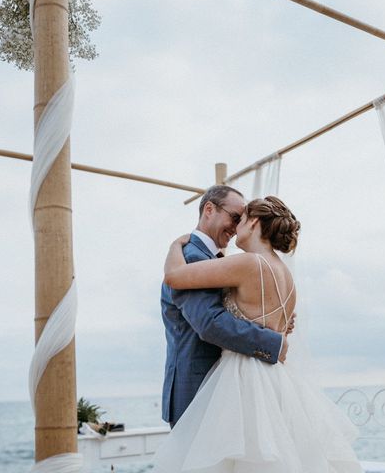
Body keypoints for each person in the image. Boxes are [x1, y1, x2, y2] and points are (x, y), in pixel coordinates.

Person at [152, 195, 363, 473]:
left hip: (241, 379)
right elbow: (273, 321)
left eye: (240, 219)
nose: (236, 225)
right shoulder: (285, 275)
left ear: (253, 221)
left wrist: (173, 245)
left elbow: (175, 277)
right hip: (278, 382)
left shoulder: (248, 263)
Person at [160, 185, 291, 427]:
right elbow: (209, 323)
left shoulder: (226, 263)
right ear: (209, 209)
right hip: (197, 389)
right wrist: (273, 342)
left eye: (241, 219)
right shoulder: (192, 256)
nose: (236, 226)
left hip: (234, 387)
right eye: (234, 217)